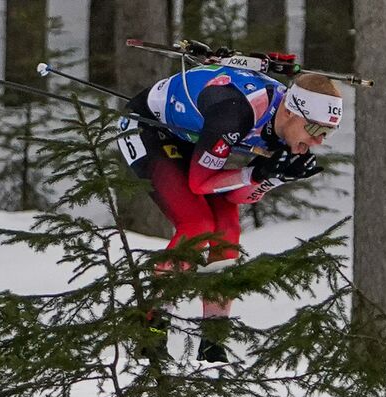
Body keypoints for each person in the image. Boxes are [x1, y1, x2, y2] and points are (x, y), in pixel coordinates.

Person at [120, 65, 342, 362]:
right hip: (148, 129)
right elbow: (201, 185)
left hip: (192, 136)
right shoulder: (236, 113)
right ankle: (150, 329)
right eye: (315, 129)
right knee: (196, 224)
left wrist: (272, 177)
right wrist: (255, 172)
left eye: (327, 132)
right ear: (289, 113)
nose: (318, 141)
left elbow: (237, 195)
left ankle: (213, 342)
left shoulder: (285, 129)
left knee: (227, 232)